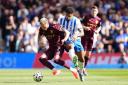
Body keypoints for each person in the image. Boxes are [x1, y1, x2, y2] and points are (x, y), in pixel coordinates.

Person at [58, 7, 85, 81]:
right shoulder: (60, 20)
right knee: (70, 48)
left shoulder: (76, 21)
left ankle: (81, 70)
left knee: (82, 59)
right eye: (67, 15)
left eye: (70, 16)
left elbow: (82, 33)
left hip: (77, 40)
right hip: (67, 40)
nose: (69, 17)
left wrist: (76, 35)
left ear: (73, 15)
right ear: (65, 14)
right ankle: (77, 68)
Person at [81, 6, 101, 75]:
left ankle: (84, 68)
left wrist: (97, 31)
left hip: (91, 38)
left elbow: (99, 26)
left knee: (88, 55)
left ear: (97, 12)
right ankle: (82, 68)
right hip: (84, 37)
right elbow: (80, 24)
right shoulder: (86, 17)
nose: (94, 12)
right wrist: (85, 27)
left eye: (95, 11)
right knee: (82, 53)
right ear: (91, 11)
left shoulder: (98, 19)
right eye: (92, 11)